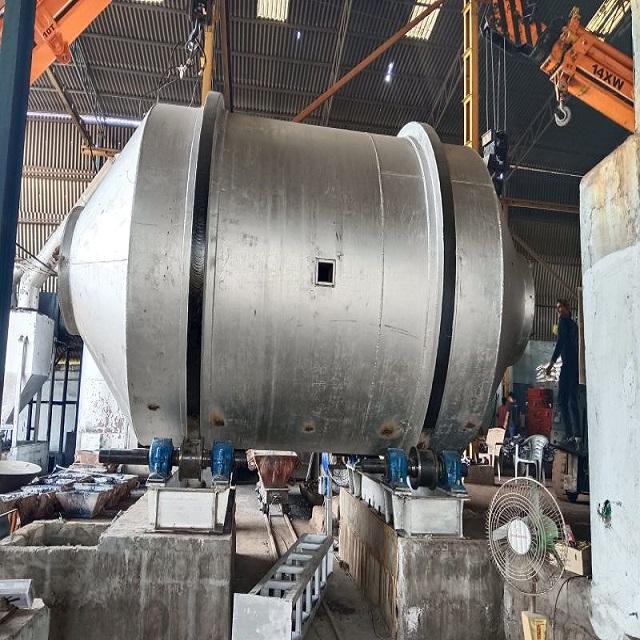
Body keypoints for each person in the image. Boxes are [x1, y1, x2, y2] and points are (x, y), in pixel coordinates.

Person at [546, 299, 580, 447]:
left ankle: (570, 435)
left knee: (562, 399)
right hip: (575, 366)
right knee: (572, 400)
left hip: (568, 366)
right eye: (557, 308)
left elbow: (560, 343)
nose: (558, 310)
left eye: (560, 307)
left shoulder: (563, 323)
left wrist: (551, 363)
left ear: (567, 307)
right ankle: (577, 435)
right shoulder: (574, 325)